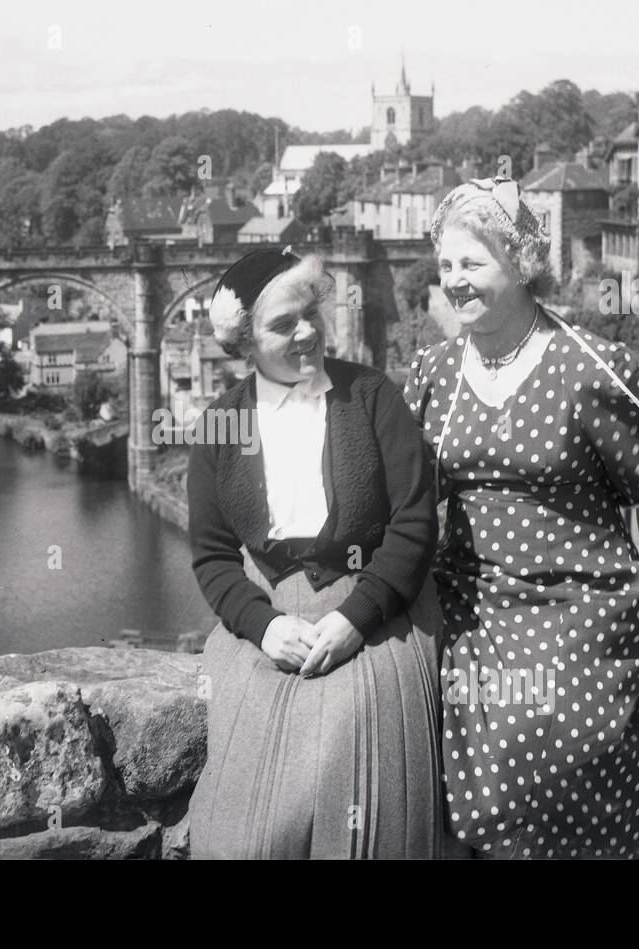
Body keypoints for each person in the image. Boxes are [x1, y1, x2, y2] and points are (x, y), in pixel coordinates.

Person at [403, 177, 639, 858]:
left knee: (554, 729)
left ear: (522, 261)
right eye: (446, 267)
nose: (455, 282)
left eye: (473, 264)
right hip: (471, 603)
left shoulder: (590, 367)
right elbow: (398, 497)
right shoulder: (434, 371)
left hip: (576, 599)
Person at [187, 246, 442, 859]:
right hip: (269, 618)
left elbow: (415, 520)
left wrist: (357, 618)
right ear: (245, 343)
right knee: (244, 816)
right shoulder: (220, 426)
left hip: (380, 609)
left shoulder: (373, 396)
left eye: (311, 315)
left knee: (359, 761)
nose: (306, 334)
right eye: (282, 325)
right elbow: (213, 556)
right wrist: (264, 625)